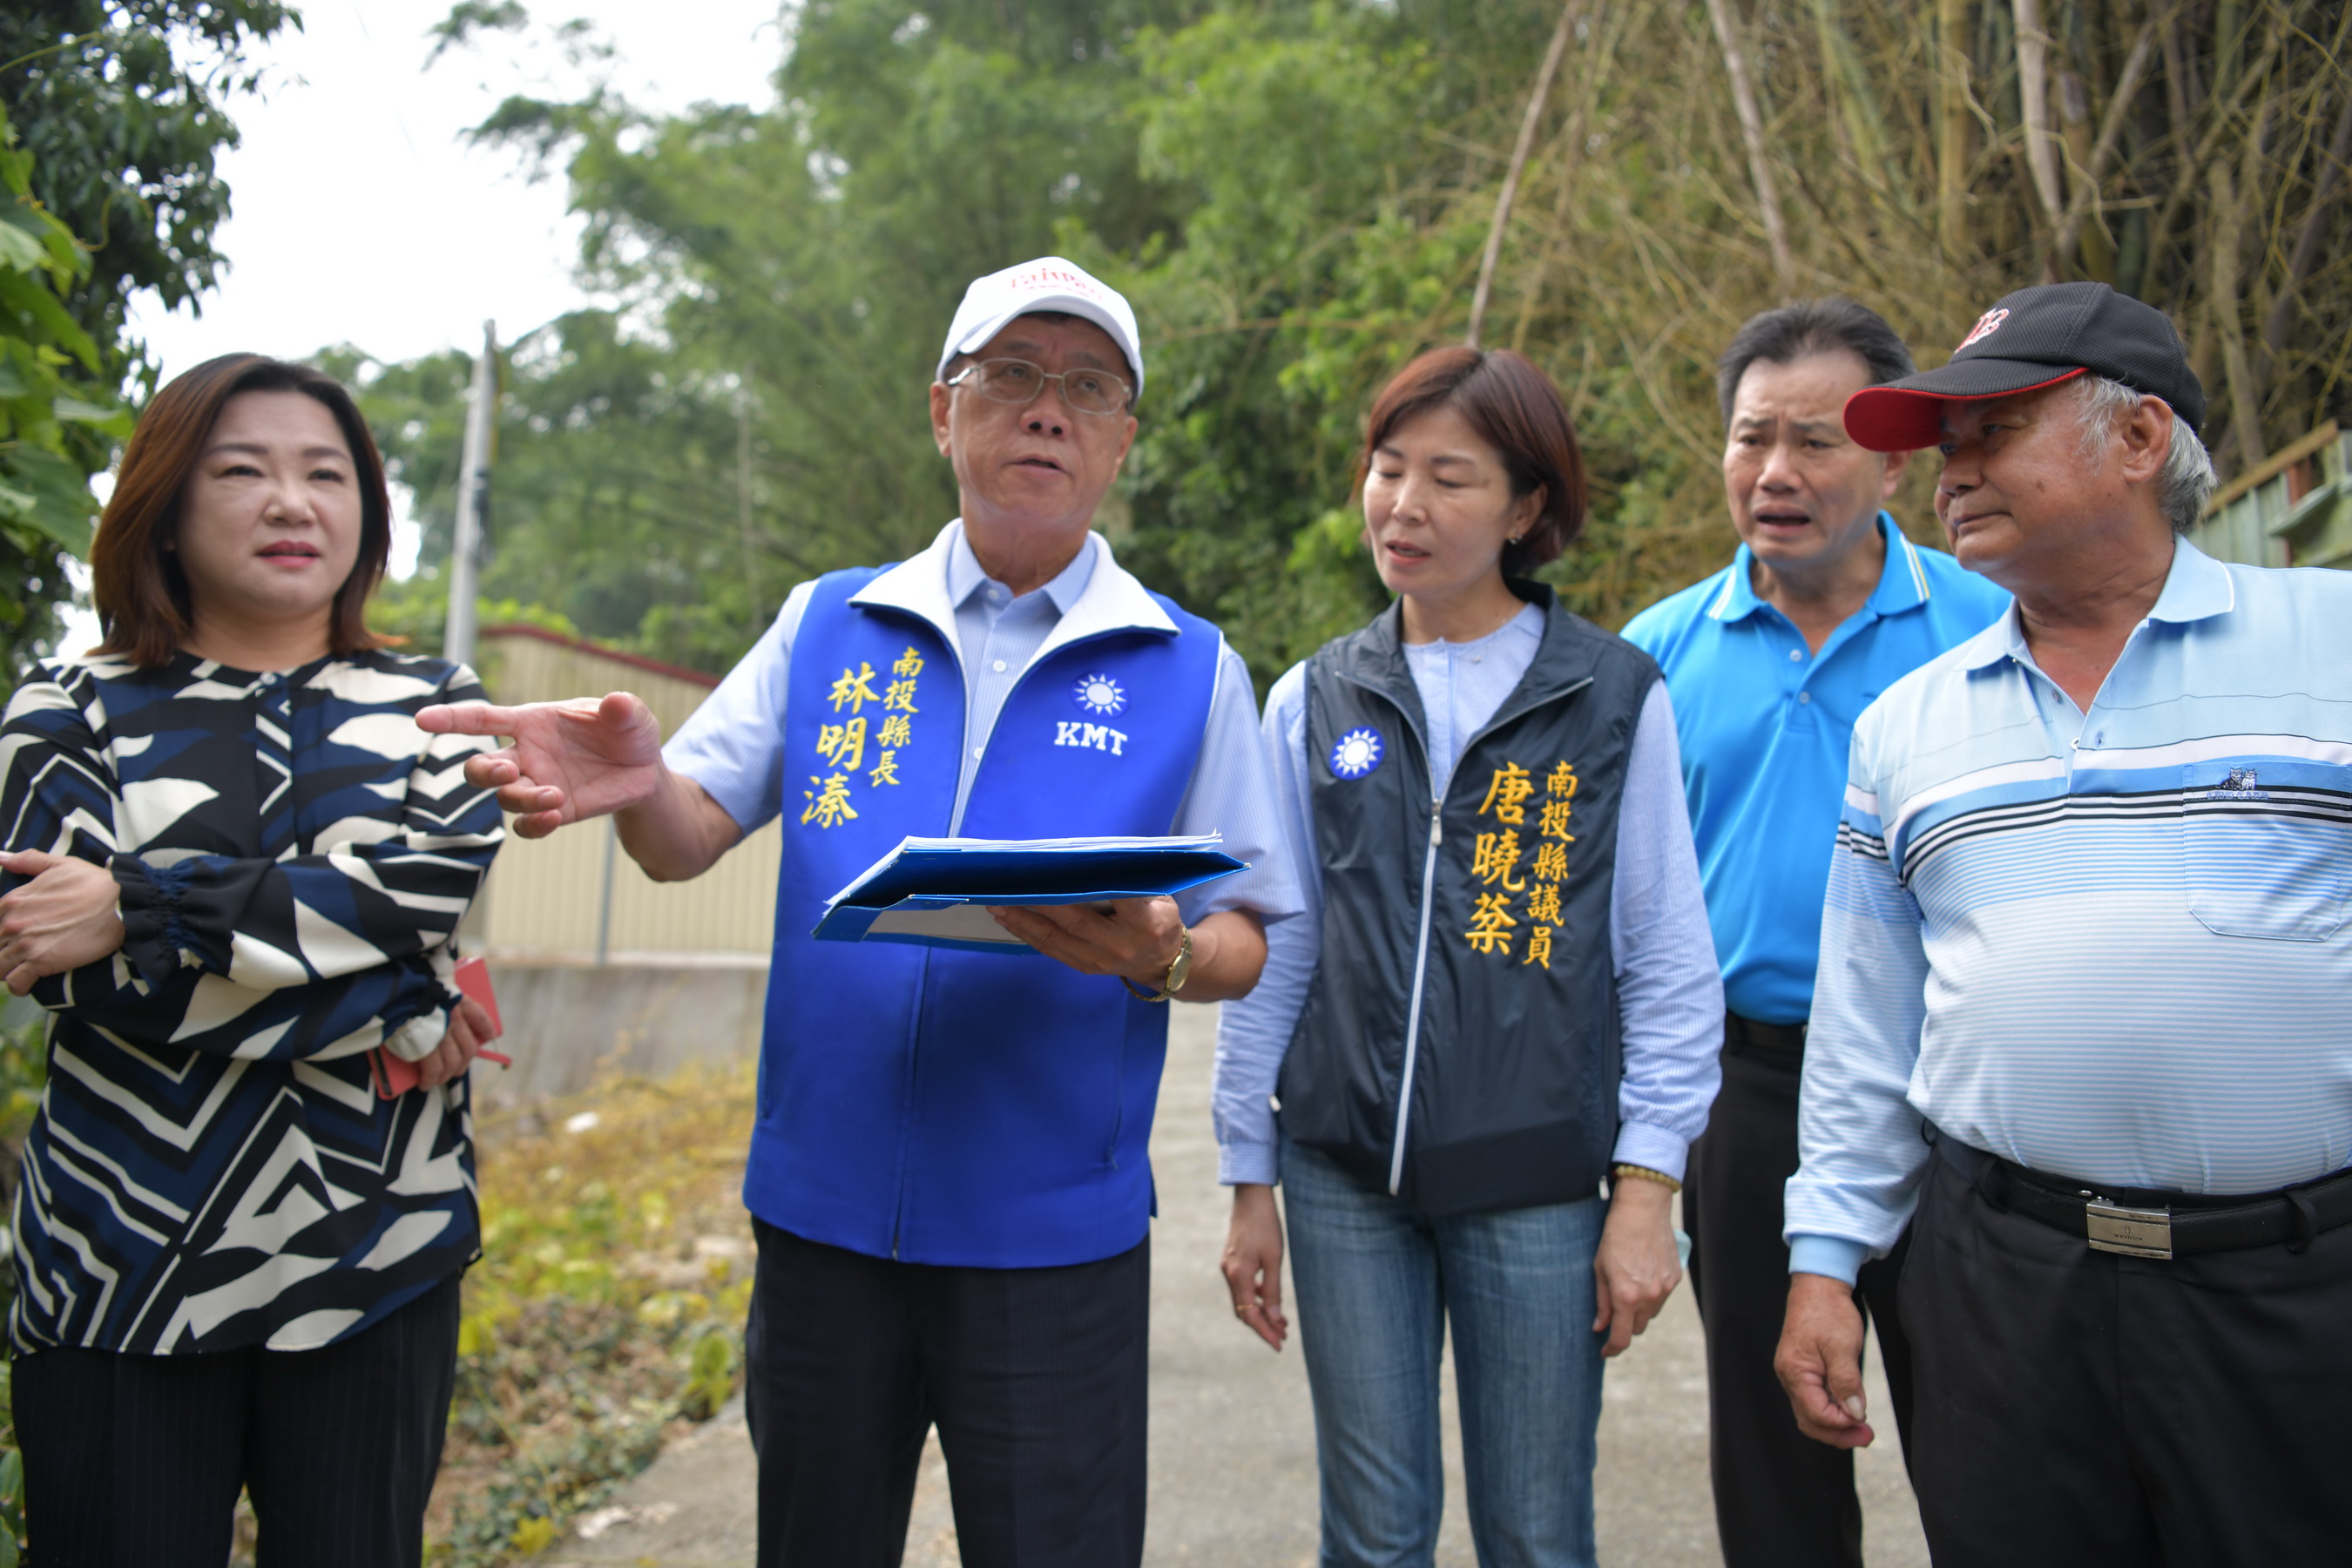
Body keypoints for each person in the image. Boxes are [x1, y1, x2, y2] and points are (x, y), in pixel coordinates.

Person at [419, 256, 1299, 1568]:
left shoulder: (1190, 666)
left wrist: (1167, 954)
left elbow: (1253, 934)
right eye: (1012, 376)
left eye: (1087, 388)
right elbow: (685, 839)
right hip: (825, 1218)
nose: (1046, 410)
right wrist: (634, 782)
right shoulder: (829, 623)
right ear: (943, 411)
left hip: (1052, 1238)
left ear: (1121, 441)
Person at [1775, 280, 2352, 1565]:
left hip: (2298, 1297)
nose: (1951, 472)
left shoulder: (2335, 648)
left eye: (1993, 431)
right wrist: (1824, 1265)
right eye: (1943, 445)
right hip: (2004, 1298)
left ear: (2140, 440)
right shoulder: (1908, 730)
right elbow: (1865, 1036)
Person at [1213, 347, 1722, 1568]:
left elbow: (1663, 956)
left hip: (1539, 1188)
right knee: (1374, 1538)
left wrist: (1647, 1192)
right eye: (1389, 469)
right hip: (1343, 1181)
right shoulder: (1316, 699)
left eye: (1451, 477)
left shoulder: (1610, 696)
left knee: (1539, 1537)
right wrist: (1249, 1176)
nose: (1405, 505)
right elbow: (1278, 945)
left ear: (1527, 508)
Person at [0, 355, 505, 1565]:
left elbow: (428, 894)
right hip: (117, 1257)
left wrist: (136, 902)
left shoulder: (438, 705)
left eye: (327, 473)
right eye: (244, 471)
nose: (294, 501)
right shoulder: (67, 705)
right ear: (165, 507)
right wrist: (395, 989)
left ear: (369, 513)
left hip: (379, 1255)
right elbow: (67, 968)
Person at [1619, 299, 2007, 1565]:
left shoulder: (1988, 630)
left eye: (1817, 442)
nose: (1776, 473)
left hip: (1952, 1093)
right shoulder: (1654, 662)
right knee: (1771, 1447)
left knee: (1986, 1433)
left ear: (1894, 462)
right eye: (1751, 438)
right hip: (1749, 1094)